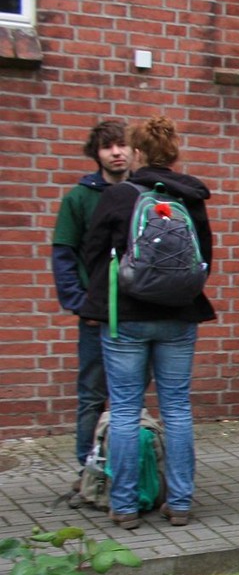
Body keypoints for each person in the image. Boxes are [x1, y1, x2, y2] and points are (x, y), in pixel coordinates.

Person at [77, 115, 215, 529]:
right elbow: (204, 258)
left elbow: (92, 252)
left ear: (137, 153)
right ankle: (181, 502)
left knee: (123, 409)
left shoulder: (119, 196)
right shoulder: (190, 197)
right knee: (176, 408)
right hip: (178, 317)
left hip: (127, 319)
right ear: (173, 153)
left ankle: (124, 506)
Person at [51, 119, 131, 472]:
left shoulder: (143, 194)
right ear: (96, 154)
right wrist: (79, 302)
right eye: (107, 146)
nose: (116, 152)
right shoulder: (80, 198)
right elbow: (63, 253)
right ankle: (87, 469)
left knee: (129, 398)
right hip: (96, 314)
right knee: (92, 396)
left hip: (136, 313)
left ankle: (126, 468)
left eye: (122, 144)